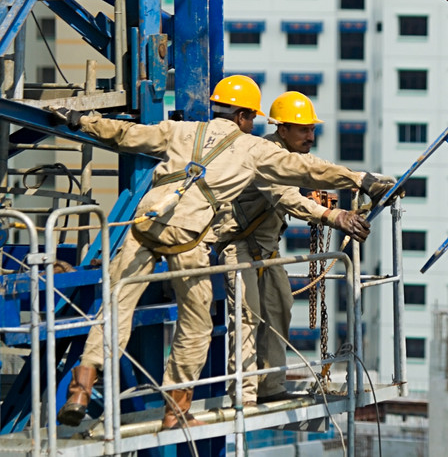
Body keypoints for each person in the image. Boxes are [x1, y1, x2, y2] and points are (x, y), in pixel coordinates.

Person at [52, 75, 396, 429]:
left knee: (117, 307)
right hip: (188, 238)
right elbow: (307, 173)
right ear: (245, 116)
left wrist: (80, 120)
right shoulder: (253, 149)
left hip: (144, 224)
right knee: (196, 324)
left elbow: (125, 135)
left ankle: (82, 386)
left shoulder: (183, 131)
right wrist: (359, 180)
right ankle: (177, 409)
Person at [217, 91, 368, 405]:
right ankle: (243, 397)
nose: (310, 136)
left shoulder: (292, 156)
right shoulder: (263, 154)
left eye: (312, 130)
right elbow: (285, 196)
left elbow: (316, 167)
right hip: (240, 248)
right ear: (282, 130)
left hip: (268, 252)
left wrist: (366, 180)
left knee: (278, 313)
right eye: (303, 130)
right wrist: (332, 216)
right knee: (248, 318)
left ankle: (270, 388)